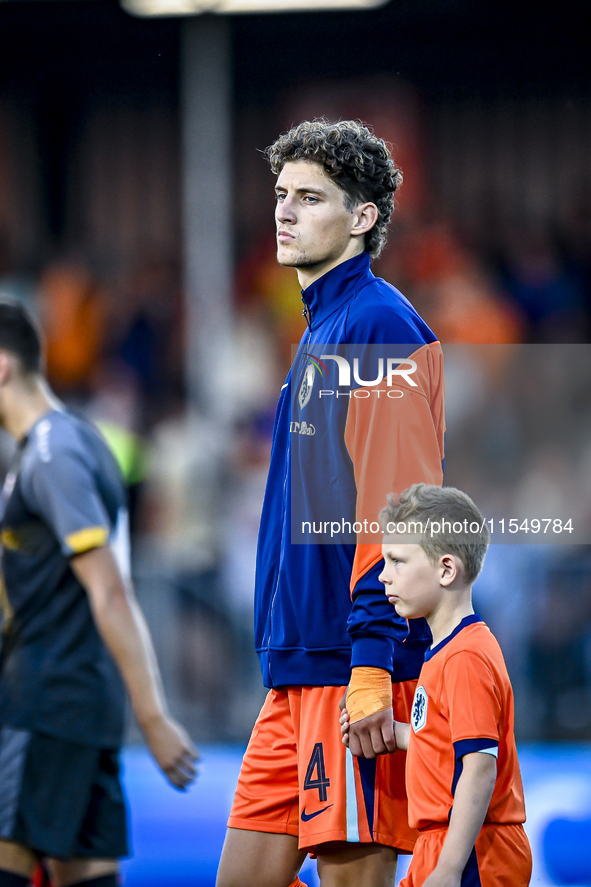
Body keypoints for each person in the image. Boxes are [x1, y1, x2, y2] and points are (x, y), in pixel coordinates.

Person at [216, 119, 445, 887]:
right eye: (280, 195)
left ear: (361, 217)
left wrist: (373, 663)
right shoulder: (322, 332)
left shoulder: (376, 324)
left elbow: (399, 508)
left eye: (309, 198)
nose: (283, 211)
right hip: (297, 672)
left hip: (349, 668)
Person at [0, 299, 198, 887]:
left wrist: (154, 714)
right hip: (80, 704)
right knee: (85, 874)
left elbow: (109, 590)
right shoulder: (71, 444)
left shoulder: (51, 454)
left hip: (47, 704)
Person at [342, 483, 532, 887]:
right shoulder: (442, 651)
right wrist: (395, 735)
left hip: (474, 853)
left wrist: (448, 868)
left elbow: (479, 768)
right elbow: (448, 745)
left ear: (446, 570)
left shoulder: (465, 657)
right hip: (442, 845)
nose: (382, 575)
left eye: (397, 561)